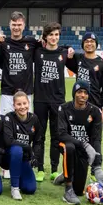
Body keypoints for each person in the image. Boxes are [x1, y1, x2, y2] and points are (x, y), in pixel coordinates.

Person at [33, 22, 76, 182]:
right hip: (40, 100)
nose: (54, 37)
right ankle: (40, 168)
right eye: (51, 34)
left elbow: (80, 66)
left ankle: (54, 168)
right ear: (45, 36)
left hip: (58, 100)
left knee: (56, 135)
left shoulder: (64, 53)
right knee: (39, 135)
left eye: (56, 35)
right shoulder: (37, 52)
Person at [54, 81, 103, 205]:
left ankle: (67, 173)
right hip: (66, 144)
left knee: (78, 190)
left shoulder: (95, 112)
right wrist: (84, 144)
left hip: (84, 150)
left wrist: (97, 166)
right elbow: (61, 134)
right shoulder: (64, 108)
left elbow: (96, 139)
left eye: (85, 93)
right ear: (74, 93)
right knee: (70, 147)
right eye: (79, 92)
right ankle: (67, 189)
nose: (82, 95)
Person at [2, 92, 42, 200]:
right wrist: (28, 148)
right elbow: (8, 141)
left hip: (24, 158)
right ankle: (14, 188)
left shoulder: (34, 119)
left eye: (24, 103)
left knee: (30, 189)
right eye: (19, 104)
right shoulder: (8, 118)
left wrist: (35, 156)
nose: (22, 107)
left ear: (28, 103)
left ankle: (17, 176)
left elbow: (38, 141)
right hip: (8, 157)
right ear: (14, 105)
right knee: (17, 149)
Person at [0, 12, 38, 116]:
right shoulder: (3, 43)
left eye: (19, 25)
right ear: (9, 25)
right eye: (14, 25)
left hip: (26, 92)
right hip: (7, 92)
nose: (16, 27)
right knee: (5, 123)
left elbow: (50, 47)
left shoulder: (32, 42)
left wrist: (67, 48)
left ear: (24, 26)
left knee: (25, 124)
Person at [67, 32, 103, 122]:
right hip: (77, 104)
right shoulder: (78, 58)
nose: (89, 43)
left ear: (96, 44)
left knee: (94, 135)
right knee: (77, 133)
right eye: (86, 41)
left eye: (92, 41)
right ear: (83, 44)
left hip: (95, 105)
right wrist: (69, 48)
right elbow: (62, 50)